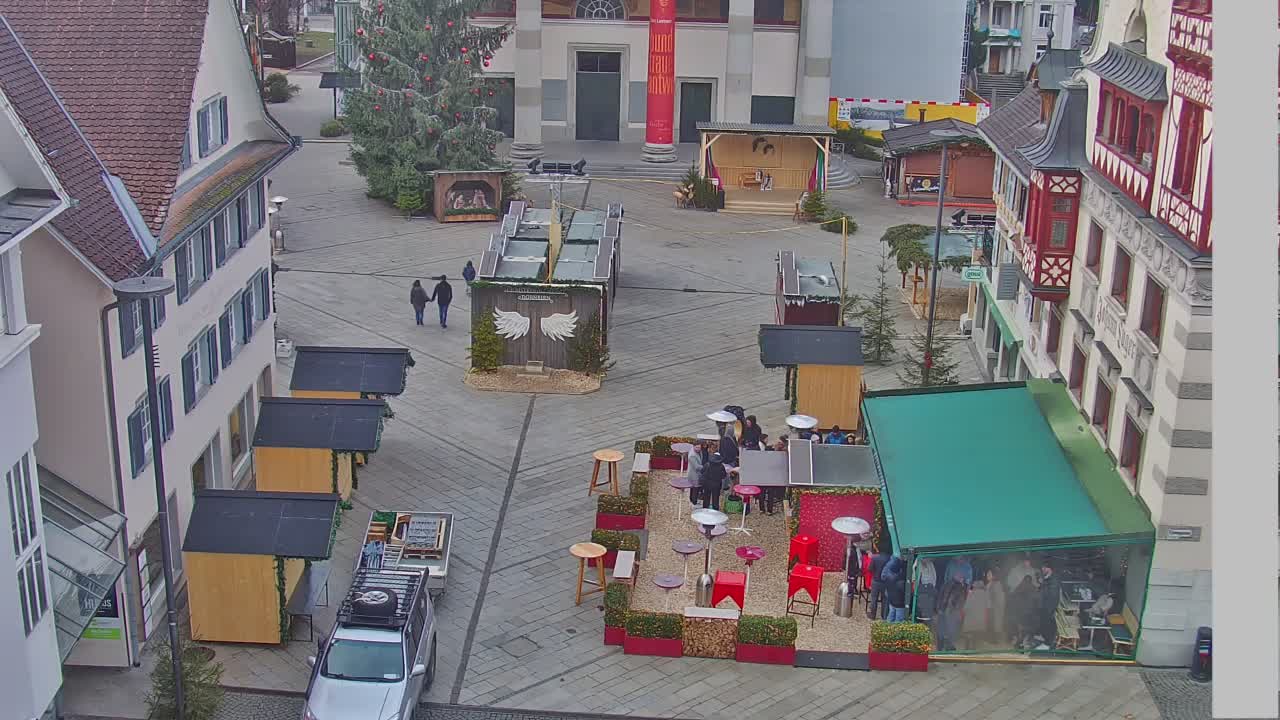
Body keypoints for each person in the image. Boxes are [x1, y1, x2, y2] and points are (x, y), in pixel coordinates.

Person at [936, 573, 968, 652]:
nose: (962, 578)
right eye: (960, 577)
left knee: (943, 628)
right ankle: (948, 646)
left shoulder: (947, 584)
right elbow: (958, 600)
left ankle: (942, 646)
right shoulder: (960, 587)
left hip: (945, 609)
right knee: (951, 628)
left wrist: (939, 608)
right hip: (951, 610)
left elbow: (941, 596)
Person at [1036, 562, 1061, 650]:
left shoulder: (1054, 579)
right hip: (1044, 604)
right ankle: (1044, 637)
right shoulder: (1048, 578)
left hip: (1049, 605)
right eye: (1042, 568)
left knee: (1049, 623)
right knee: (1043, 622)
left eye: (1044, 568)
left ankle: (1047, 644)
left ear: (1049, 569)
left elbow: (1052, 594)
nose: (1042, 569)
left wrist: (1042, 583)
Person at [868, 545, 892, 620]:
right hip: (885, 581)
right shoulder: (890, 558)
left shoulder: (875, 557)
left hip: (876, 580)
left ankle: (873, 615)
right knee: (884, 599)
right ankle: (884, 616)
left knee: (874, 598)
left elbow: (870, 568)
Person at [883, 555, 907, 622]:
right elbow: (904, 591)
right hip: (900, 603)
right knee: (898, 620)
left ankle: (886, 629)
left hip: (891, 600)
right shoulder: (900, 580)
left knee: (891, 616)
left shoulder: (888, 576)